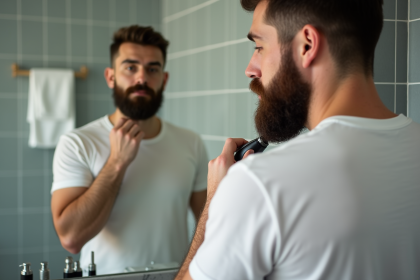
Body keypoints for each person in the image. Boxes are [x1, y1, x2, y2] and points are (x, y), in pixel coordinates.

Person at [176, 0, 420, 279]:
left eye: (258, 47)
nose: (251, 69)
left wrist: (214, 205)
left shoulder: (261, 184)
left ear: (307, 45)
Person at [51, 26, 208, 275]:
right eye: (130, 67)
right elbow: (70, 238)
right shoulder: (78, 143)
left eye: (152, 69)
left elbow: (208, 223)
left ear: (164, 80)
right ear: (111, 77)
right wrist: (117, 162)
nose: (142, 78)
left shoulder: (191, 142)